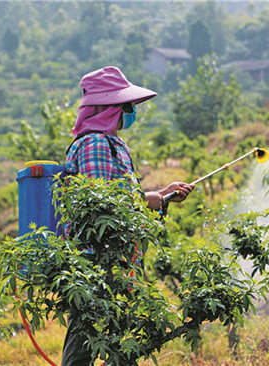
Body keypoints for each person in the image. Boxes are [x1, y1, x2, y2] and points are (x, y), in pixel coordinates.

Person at [61, 66, 194, 366]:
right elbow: (101, 201)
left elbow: (125, 198)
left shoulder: (113, 143)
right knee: (84, 343)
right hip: (93, 262)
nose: (131, 112)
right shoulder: (94, 143)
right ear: (110, 108)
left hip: (116, 259)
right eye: (127, 106)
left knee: (116, 340)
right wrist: (148, 199)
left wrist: (162, 194)